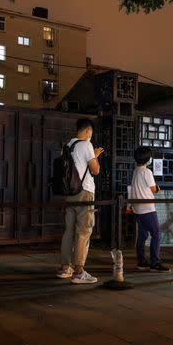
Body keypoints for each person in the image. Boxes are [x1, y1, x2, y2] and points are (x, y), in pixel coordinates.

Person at [57, 118, 104, 284]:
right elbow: (95, 170)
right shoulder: (86, 145)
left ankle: (65, 268)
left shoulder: (67, 146)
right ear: (88, 131)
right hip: (84, 192)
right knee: (84, 231)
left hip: (69, 193)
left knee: (69, 230)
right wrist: (95, 155)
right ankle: (79, 271)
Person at [129, 146, 170, 272]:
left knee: (142, 234)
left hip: (137, 209)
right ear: (147, 158)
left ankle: (141, 261)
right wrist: (157, 188)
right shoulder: (147, 172)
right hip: (147, 209)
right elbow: (153, 189)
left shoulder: (136, 171)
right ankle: (155, 262)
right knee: (156, 234)